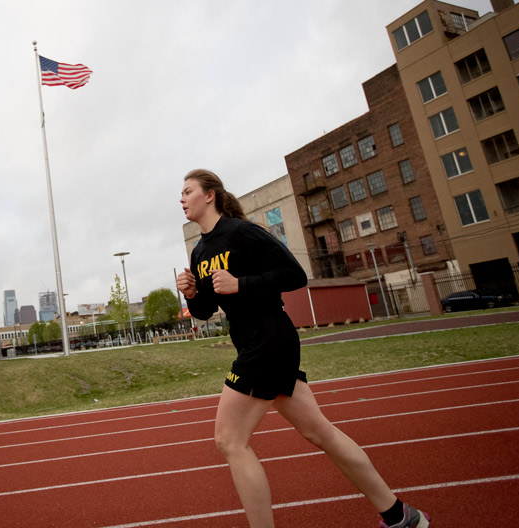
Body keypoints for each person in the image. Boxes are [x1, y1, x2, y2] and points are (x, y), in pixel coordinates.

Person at [175, 169, 429, 528]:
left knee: (229, 440)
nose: (181, 199)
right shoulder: (200, 251)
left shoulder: (242, 233)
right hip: (256, 343)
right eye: (180, 194)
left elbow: (295, 275)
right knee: (319, 432)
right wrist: (192, 293)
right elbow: (205, 310)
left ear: (211, 195)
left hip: (268, 340)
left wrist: (241, 284)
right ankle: (400, 515)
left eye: (187, 191)